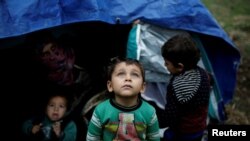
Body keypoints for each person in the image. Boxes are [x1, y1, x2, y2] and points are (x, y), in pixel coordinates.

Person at [29, 30, 97, 141]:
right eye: (45, 54)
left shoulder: (80, 53)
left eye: (53, 48)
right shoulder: (47, 82)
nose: (52, 56)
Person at [86, 57, 160, 141]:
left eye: (134, 75)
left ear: (142, 87)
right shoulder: (101, 110)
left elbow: (154, 139)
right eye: (121, 74)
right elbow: (92, 139)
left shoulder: (149, 111)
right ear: (110, 86)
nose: (128, 78)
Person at [159, 33, 212, 141]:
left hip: (183, 132)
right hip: (200, 127)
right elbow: (211, 82)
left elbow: (170, 116)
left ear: (180, 66)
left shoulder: (176, 87)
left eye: (167, 63)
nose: (165, 65)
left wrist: (157, 123)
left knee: (168, 135)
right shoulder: (205, 74)